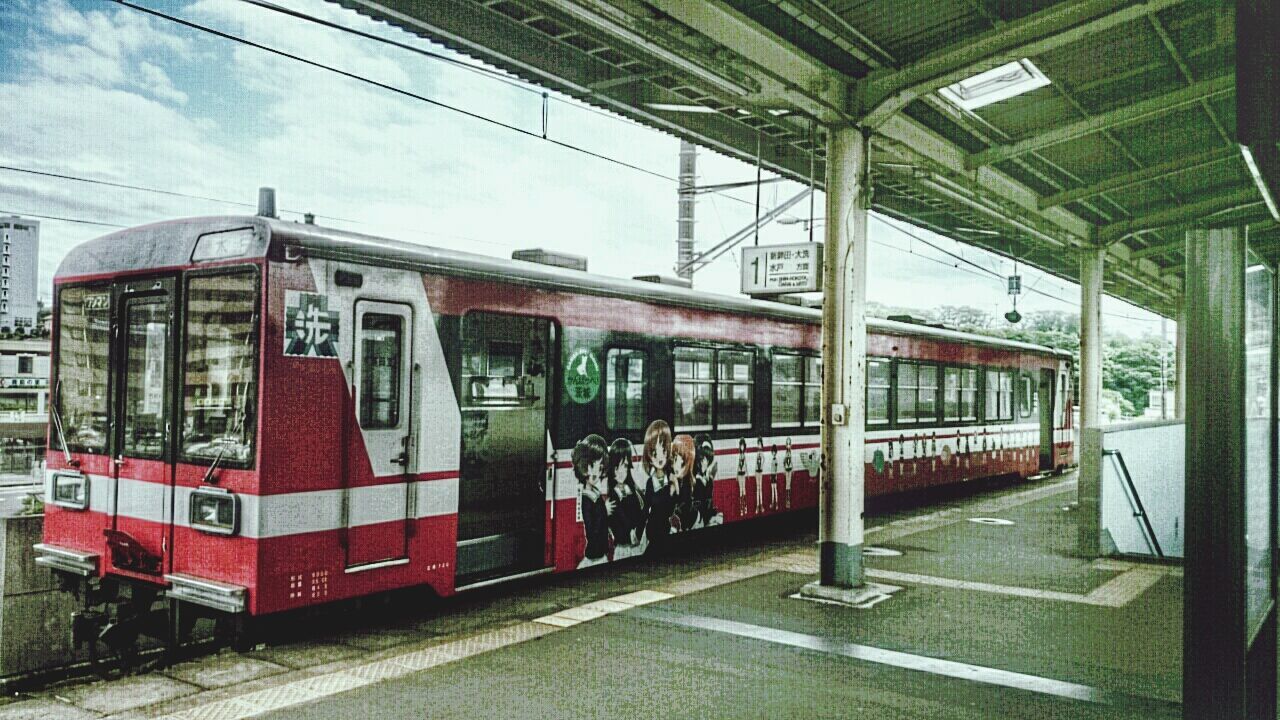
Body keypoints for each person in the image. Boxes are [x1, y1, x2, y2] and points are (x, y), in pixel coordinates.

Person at [571, 434, 611, 567]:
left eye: (600, 468)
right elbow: (591, 529)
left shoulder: (595, 494)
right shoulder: (587, 499)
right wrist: (605, 511)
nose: (596, 472)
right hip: (595, 554)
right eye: (592, 465)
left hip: (600, 552)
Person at [642, 420, 677, 549]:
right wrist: (639, 532)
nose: (660, 457)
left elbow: (671, 508)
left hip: (665, 528)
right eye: (655, 453)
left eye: (664, 451)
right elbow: (646, 508)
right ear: (649, 456)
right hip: (653, 529)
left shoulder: (670, 478)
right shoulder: (651, 482)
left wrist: (674, 489)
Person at [605, 438, 645, 550]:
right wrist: (633, 531)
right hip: (624, 545)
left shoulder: (631, 489)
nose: (621, 472)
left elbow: (640, 511)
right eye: (616, 467)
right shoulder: (614, 494)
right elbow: (621, 517)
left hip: (634, 541)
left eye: (625, 466)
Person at [692, 434, 723, 527]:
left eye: (706, 459)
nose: (704, 462)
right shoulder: (696, 481)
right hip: (698, 520)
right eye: (701, 459)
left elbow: (709, 503)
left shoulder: (708, 480)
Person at [671, 434, 698, 530]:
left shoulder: (688, 484)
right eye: (674, 459)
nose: (676, 465)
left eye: (681, 462)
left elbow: (685, 509)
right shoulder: (675, 480)